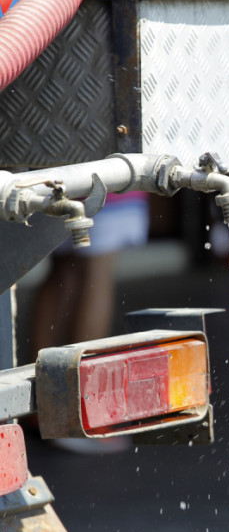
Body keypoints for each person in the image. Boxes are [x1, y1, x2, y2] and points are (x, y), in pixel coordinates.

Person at [28, 190, 149, 454]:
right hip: (106, 184)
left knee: (63, 271)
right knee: (97, 274)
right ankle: (79, 414)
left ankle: (38, 403)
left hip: (62, 180)